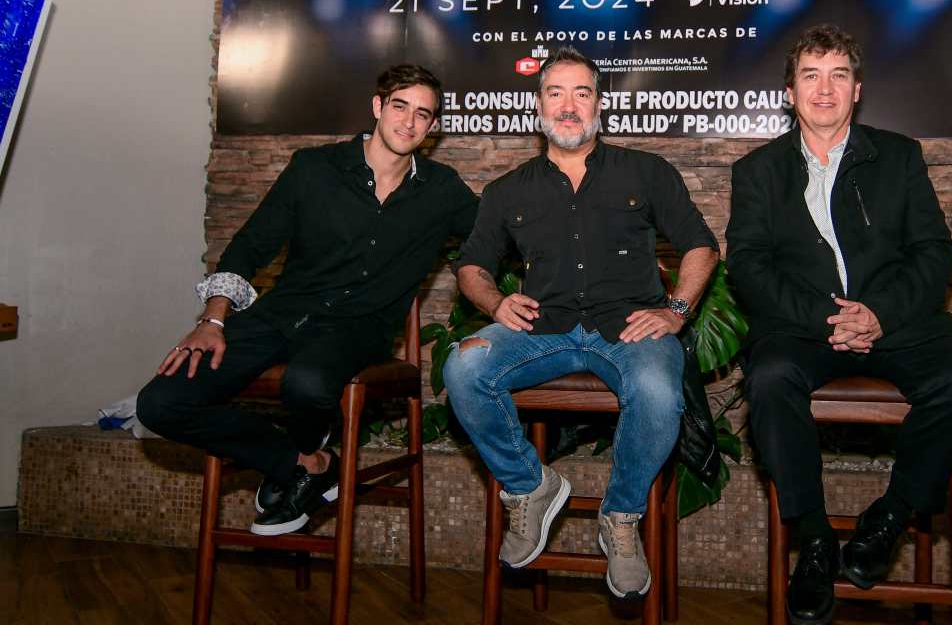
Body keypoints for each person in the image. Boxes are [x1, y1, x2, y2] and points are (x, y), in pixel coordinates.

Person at [137, 64, 477, 536]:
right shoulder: (314, 168)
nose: (409, 121)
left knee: (308, 382)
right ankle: (306, 463)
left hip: (358, 328)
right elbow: (250, 245)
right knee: (159, 403)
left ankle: (296, 467)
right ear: (378, 107)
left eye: (423, 114)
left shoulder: (443, 190)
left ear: (433, 126)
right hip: (281, 315)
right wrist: (212, 320)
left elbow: (497, 234)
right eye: (400, 106)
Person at [726, 24, 952, 624]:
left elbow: (935, 252)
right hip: (802, 329)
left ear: (857, 89)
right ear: (789, 92)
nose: (824, 90)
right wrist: (828, 319)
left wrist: (879, 314)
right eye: (811, 76)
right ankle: (815, 540)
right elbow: (749, 264)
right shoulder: (758, 170)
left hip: (898, 325)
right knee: (768, 380)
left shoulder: (899, 156)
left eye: (838, 76)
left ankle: (889, 519)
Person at [443, 47, 719, 600]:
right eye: (556, 93)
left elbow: (701, 246)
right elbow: (471, 266)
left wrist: (676, 311)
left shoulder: (646, 172)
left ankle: (621, 518)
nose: (568, 106)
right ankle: (531, 485)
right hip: (543, 329)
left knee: (658, 392)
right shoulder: (506, 190)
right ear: (538, 105)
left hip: (630, 328)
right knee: (464, 368)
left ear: (599, 104)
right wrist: (494, 303)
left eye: (582, 93)